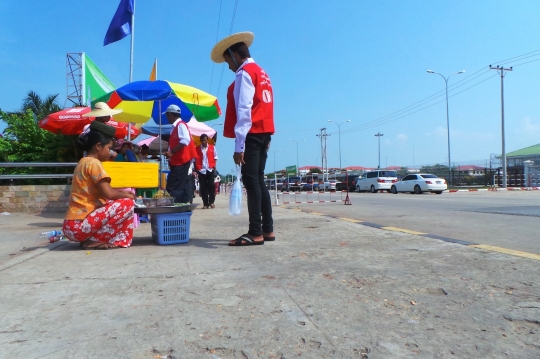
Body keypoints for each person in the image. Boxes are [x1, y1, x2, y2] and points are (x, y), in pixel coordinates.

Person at [211, 31, 275, 246]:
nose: (228, 66)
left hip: (252, 132)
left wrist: (239, 147)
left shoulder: (244, 73)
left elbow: (244, 110)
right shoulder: (261, 72)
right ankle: (267, 230)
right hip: (264, 132)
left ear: (234, 55)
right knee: (258, 179)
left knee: (251, 181)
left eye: (227, 60)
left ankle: (255, 232)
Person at [62, 121, 136, 249]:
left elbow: (105, 193)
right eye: (109, 148)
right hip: (79, 226)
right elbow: (110, 194)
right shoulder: (94, 163)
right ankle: (95, 240)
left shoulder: (83, 162)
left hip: (72, 226)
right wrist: (127, 195)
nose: (110, 152)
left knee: (119, 201)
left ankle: (92, 238)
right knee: (127, 203)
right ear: (98, 146)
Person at [163, 104, 197, 204]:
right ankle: (180, 205)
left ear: (169, 114)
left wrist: (172, 152)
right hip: (178, 161)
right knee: (177, 185)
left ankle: (176, 208)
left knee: (174, 186)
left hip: (181, 161)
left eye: (167, 115)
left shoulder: (180, 125)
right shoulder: (176, 126)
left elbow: (185, 140)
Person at [194, 133, 218, 209]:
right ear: (201, 141)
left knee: (211, 186)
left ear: (207, 140)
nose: (204, 142)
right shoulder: (197, 148)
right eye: (203, 140)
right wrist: (196, 169)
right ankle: (205, 203)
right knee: (203, 187)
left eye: (205, 140)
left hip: (210, 169)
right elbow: (194, 159)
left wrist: (215, 165)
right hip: (201, 170)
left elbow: (215, 157)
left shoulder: (212, 147)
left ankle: (211, 202)